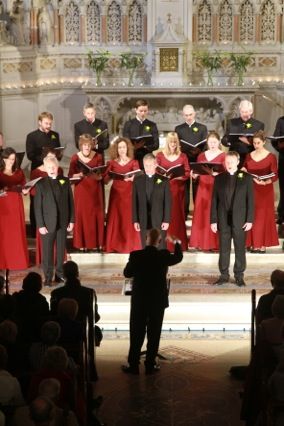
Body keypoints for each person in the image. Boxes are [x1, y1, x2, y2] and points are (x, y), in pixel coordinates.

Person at [122, 228, 183, 375]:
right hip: (157, 301)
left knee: (136, 332)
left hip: (140, 301)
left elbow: (127, 273)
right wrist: (176, 242)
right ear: (160, 241)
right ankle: (150, 364)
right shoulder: (163, 255)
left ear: (146, 239)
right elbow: (179, 257)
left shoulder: (136, 255)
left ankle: (133, 365)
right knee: (154, 333)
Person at [210, 151, 254, 287]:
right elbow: (214, 201)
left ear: (237, 161)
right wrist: (213, 220)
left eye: (231, 162)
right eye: (227, 162)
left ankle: (239, 276)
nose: (229, 164)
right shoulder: (219, 178)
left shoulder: (246, 178)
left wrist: (250, 219)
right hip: (223, 219)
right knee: (224, 248)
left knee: (240, 248)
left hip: (240, 219)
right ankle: (223, 275)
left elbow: (250, 201)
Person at [34, 156, 74, 286]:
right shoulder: (40, 184)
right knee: (47, 251)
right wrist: (40, 224)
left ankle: (59, 274)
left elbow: (70, 203)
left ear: (58, 167)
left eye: (54, 167)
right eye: (49, 167)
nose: (51, 169)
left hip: (62, 223)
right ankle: (47, 277)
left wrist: (72, 220)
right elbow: (37, 206)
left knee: (61, 250)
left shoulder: (65, 181)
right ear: (45, 168)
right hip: (47, 223)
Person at [26, 112, 61, 236]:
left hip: (52, 172)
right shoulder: (32, 136)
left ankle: (53, 224)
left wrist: (56, 155)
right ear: (40, 122)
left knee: (52, 198)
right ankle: (35, 228)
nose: (48, 126)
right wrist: (46, 158)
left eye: (50, 124)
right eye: (46, 123)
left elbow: (59, 154)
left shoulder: (54, 135)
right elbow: (30, 155)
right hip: (38, 171)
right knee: (37, 199)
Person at [243, 130, 278, 253]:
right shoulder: (248, 156)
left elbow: (274, 175)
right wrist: (243, 170)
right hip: (251, 189)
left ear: (264, 142)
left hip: (265, 190)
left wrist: (264, 182)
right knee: (252, 215)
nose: (256, 145)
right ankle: (252, 243)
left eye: (258, 143)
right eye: (254, 143)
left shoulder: (271, 156)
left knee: (263, 217)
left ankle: (262, 244)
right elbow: (244, 170)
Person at [190, 131, 225, 251]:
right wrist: (194, 176)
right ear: (207, 142)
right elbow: (198, 171)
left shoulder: (223, 155)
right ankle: (201, 242)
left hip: (216, 187)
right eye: (210, 142)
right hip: (203, 187)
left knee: (214, 213)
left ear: (219, 142)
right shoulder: (201, 156)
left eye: (215, 142)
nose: (213, 144)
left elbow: (226, 173)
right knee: (202, 213)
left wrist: (217, 174)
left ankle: (214, 244)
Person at [104, 137, 141, 253]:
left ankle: (129, 245)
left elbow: (138, 175)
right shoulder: (111, 163)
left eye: (124, 147)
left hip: (129, 194)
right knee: (116, 218)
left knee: (128, 218)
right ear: (116, 149)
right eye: (119, 147)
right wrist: (109, 176)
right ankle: (115, 245)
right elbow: (105, 180)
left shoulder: (134, 162)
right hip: (116, 194)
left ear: (127, 148)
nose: (121, 149)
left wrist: (134, 177)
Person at [68, 134, 104, 252]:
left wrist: (98, 176)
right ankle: (81, 244)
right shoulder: (75, 158)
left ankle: (97, 244)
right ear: (81, 146)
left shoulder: (98, 156)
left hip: (94, 190)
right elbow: (70, 175)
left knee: (95, 215)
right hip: (81, 190)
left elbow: (101, 173)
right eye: (84, 145)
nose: (87, 148)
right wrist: (77, 175)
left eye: (89, 145)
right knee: (82, 215)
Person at [156, 131, 190, 251]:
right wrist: (164, 177)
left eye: (175, 142)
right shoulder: (160, 155)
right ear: (167, 143)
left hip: (177, 190)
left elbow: (186, 173)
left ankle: (177, 244)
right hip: (163, 189)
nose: (173, 144)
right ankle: (163, 243)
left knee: (176, 216)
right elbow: (156, 172)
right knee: (163, 215)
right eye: (171, 142)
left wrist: (176, 177)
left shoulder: (183, 156)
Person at [132, 153, 171, 248]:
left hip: (159, 220)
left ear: (155, 165)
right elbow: (134, 202)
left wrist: (166, 220)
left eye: (150, 165)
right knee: (145, 246)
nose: (148, 168)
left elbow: (167, 202)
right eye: (146, 165)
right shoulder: (138, 180)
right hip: (143, 219)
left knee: (160, 246)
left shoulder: (163, 180)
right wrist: (135, 220)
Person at [175, 104, 208, 214]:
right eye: (186, 115)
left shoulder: (202, 128)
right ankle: (184, 213)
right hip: (184, 160)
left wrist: (198, 151)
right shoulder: (179, 129)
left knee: (197, 187)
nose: (189, 117)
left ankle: (197, 213)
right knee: (184, 186)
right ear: (183, 115)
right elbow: (177, 146)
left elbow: (205, 146)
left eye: (190, 114)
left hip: (198, 160)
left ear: (194, 114)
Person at [0, 147, 29, 270]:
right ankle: (4, 262)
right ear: (3, 159)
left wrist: (26, 190)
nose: (11, 162)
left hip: (16, 204)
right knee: (5, 234)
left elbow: (24, 186)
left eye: (13, 159)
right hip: (3, 205)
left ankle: (18, 261)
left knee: (17, 232)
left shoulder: (19, 172)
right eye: (9, 159)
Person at [221, 100, 264, 166]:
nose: (244, 114)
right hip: (234, 157)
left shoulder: (258, 125)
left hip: (252, 156)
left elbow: (261, 142)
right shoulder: (231, 123)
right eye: (242, 112)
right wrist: (228, 141)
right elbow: (224, 139)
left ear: (251, 111)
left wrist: (250, 142)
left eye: (246, 112)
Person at [123, 99, 159, 166]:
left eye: (145, 111)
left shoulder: (152, 125)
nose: (143, 113)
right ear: (136, 110)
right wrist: (134, 147)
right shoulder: (128, 124)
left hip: (147, 158)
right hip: (132, 157)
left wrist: (144, 146)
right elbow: (125, 142)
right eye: (141, 111)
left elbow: (156, 144)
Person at [272, 116, 284, 224]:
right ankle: (282, 215)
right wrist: (279, 146)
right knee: (283, 188)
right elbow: (274, 139)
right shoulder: (281, 120)